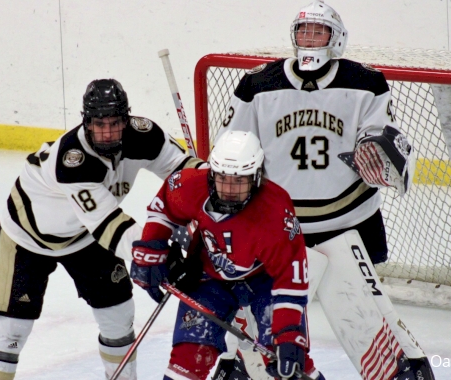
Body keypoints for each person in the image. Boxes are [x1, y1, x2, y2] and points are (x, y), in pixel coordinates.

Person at [212, 1, 435, 380]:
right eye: (304, 32)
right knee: (262, 310)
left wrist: (377, 149)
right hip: (281, 224)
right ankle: (246, 367)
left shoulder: (366, 82)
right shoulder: (258, 84)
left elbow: (380, 135)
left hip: (348, 221)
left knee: (368, 310)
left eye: (319, 32)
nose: (310, 39)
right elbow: (234, 144)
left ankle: (402, 368)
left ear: (337, 38)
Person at [0, 78, 204, 380]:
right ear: (85, 122)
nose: (108, 132)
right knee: (10, 333)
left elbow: (182, 170)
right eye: (99, 123)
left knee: (119, 318)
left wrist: (213, 184)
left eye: (115, 123)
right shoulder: (73, 160)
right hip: (26, 238)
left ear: (127, 119)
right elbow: (110, 226)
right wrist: (159, 253)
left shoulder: (145, 135)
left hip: (86, 237)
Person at [130, 131, 326, 380]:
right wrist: (151, 249)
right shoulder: (190, 184)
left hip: (264, 280)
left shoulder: (275, 211)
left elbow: (290, 277)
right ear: (211, 174)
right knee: (188, 361)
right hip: (208, 278)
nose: (230, 190)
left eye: (240, 181)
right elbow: (163, 206)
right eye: (223, 179)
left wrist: (288, 333)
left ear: (256, 178)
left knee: (289, 365)